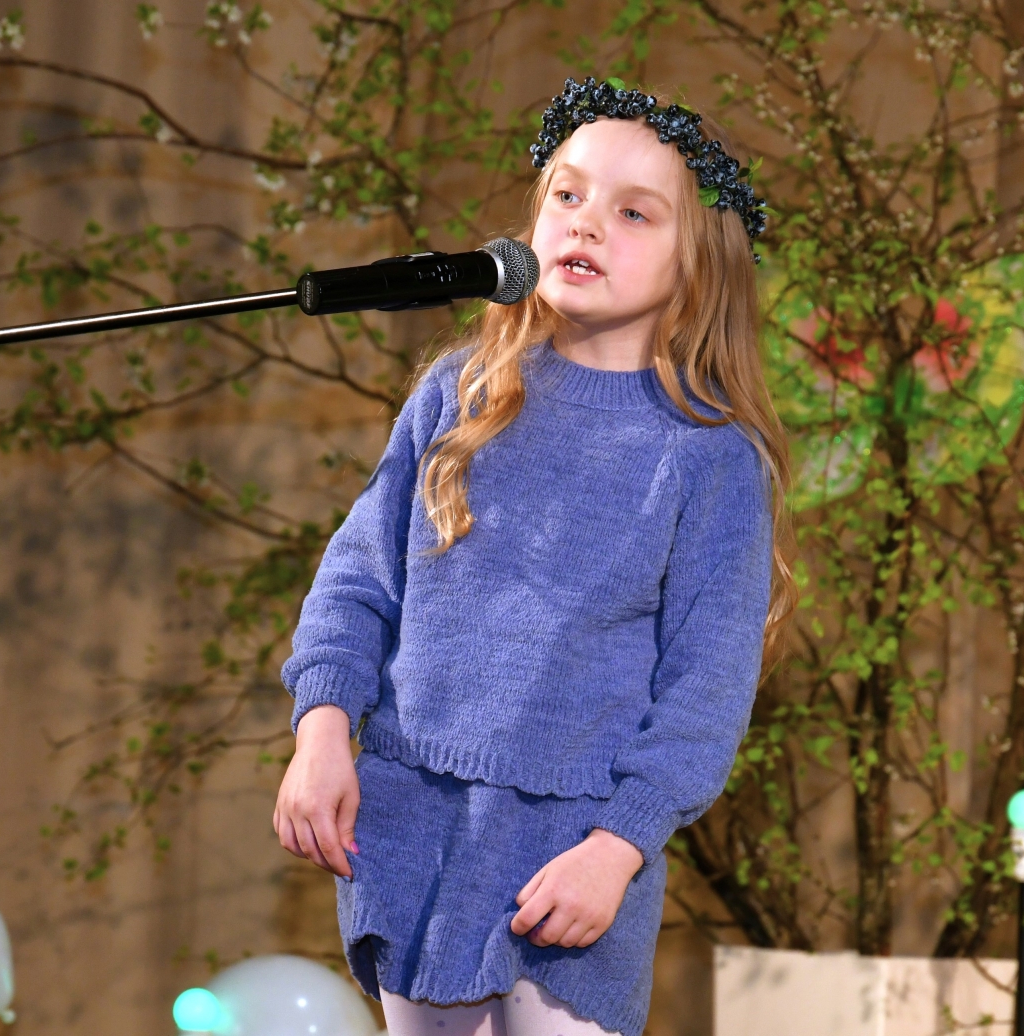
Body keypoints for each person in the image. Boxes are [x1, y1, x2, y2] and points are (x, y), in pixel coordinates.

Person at [271, 77, 794, 1036]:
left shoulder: (707, 455)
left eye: (633, 212)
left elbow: (705, 689)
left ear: (698, 261)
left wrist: (619, 845)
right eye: (568, 194)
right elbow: (357, 581)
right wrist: (322, 730)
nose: (586, 223)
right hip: (412, 826)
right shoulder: (458, 395)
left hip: (573, 849)